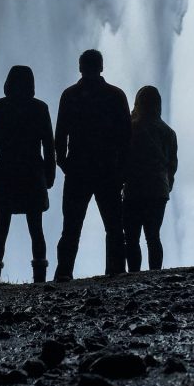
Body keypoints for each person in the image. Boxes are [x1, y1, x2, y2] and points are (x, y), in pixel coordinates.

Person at [53, 49, 131, 280]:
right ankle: (116, 270)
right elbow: (126, 137)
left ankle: (64, 272)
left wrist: (63, 161)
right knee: (114, 226)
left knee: (72, 226)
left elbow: (60, 134)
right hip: (107, 169)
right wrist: (122, 169)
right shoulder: (116, 96)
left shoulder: (70, 95)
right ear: (101, 67)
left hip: (79, 168)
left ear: (80, 67)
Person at [0, 65, 56, 285]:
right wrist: (49, 175)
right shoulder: (40, 108)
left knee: (0, 227)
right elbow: (48, 145)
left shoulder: (0, 107)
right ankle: (40, 278)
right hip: (33, 172)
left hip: (5, 171)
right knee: (36, 228)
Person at [122, 85, 178, 271]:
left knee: (131, 237)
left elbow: (122, 157)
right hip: (158, 189)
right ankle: (155, 273)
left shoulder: (131, 128)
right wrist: (167, 185)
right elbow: (172, 164)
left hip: (134, 188)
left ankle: (134, 274)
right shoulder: (168, 132)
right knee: (153, 236)